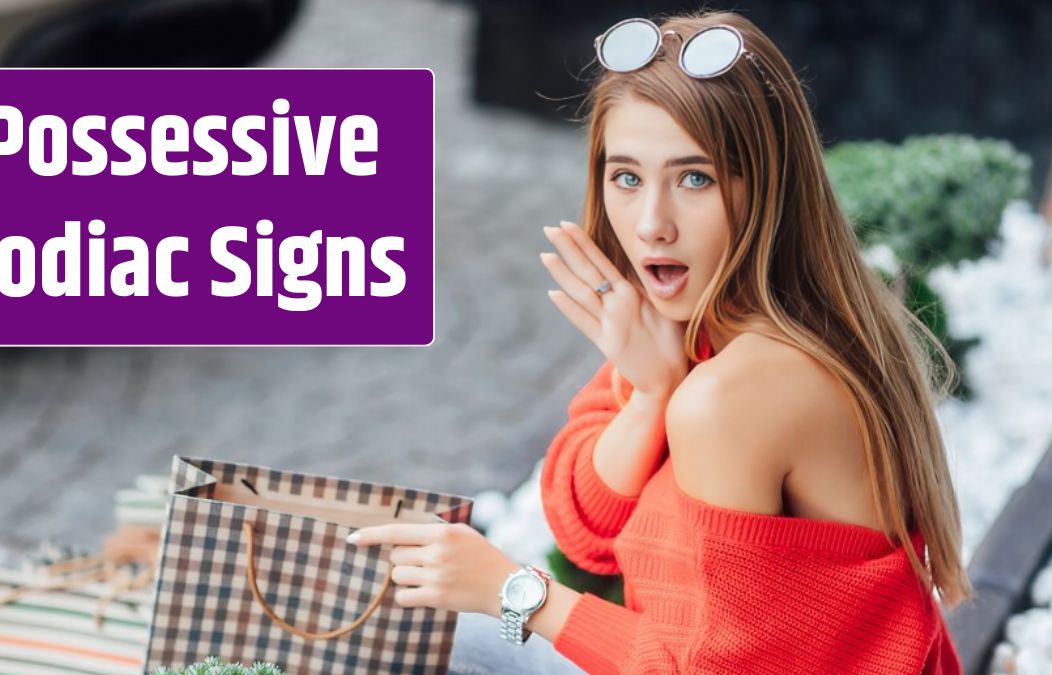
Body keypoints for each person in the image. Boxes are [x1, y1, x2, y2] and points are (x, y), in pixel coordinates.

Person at [349, 9, 970, 674]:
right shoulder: (700, 319)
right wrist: (649, 391)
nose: (651, 225)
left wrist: (513, 592)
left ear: (766, 187)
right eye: (627, 176)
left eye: (693, 177)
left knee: (430, 636)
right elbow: (586, 529)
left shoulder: (737, 393)